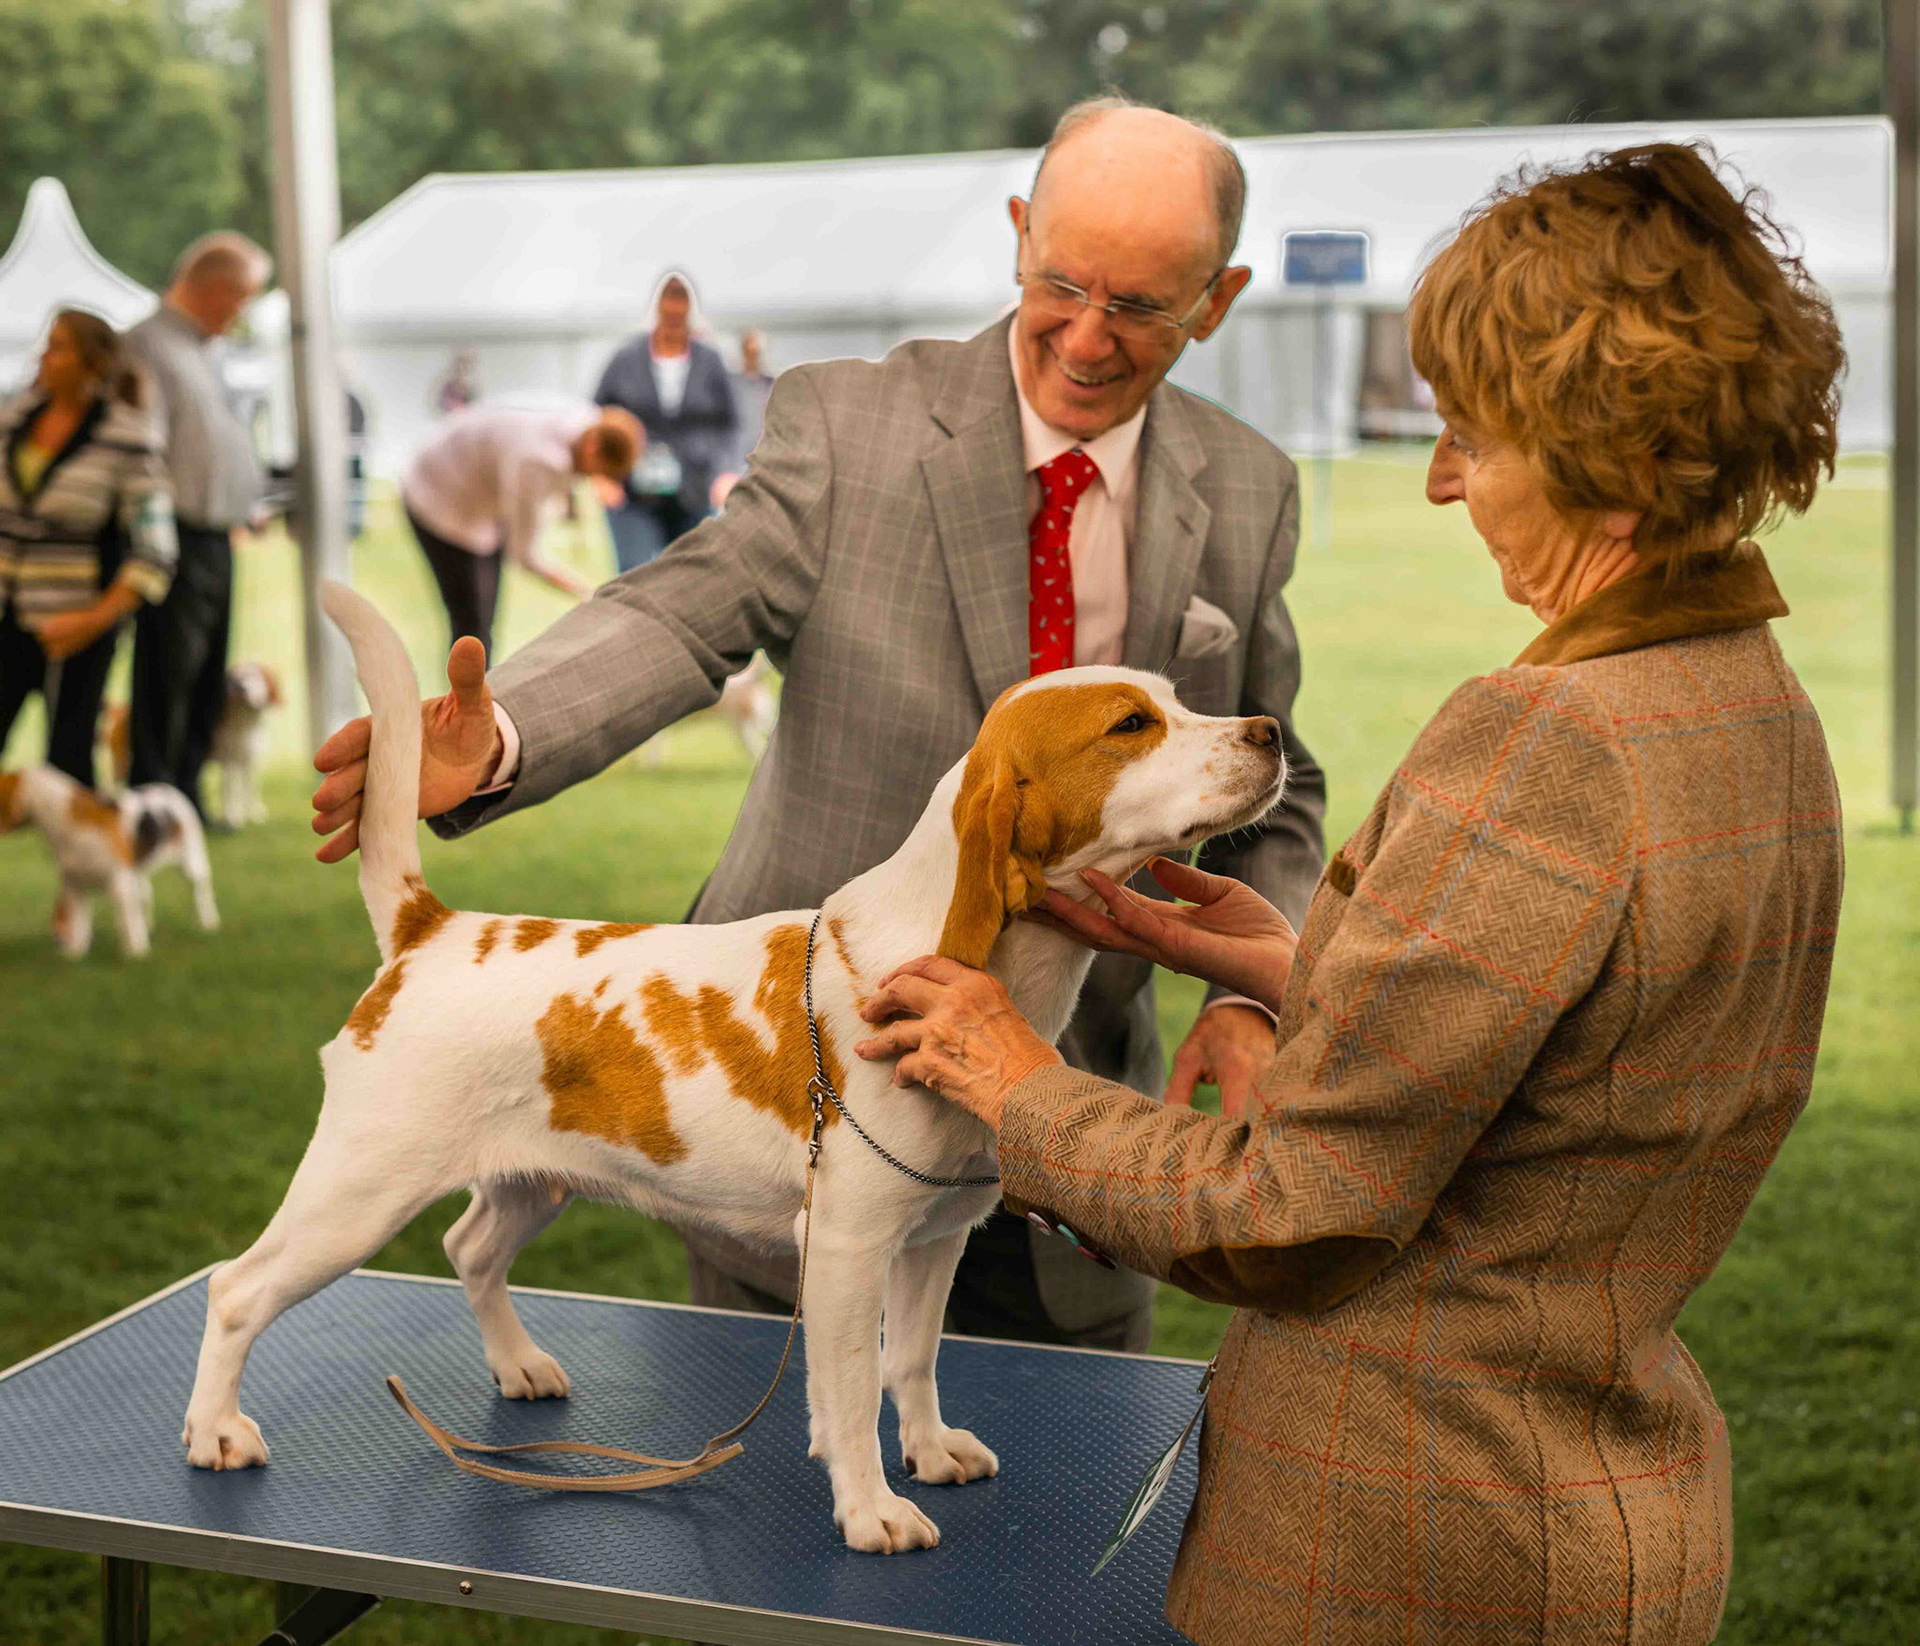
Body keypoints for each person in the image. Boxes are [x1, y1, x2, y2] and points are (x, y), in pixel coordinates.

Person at [851, 142, 1846, 1643]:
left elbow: (1287, 1210)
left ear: (1621, 460)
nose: (1444, 478)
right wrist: (1306, 959)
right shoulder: (1752, 708)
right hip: (1605, 1511)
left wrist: (1017, 1083)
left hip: (1403, 1540)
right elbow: (1580, 1063)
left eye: (1472, 435)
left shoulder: (1548, 740)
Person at [311, 99, 1327, 1355]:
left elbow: (1282, 777)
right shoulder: (848, 422)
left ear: (1216, 303)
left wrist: (1258, 997)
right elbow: (686, 612)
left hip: (1072, 1143)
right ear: (1017, 235)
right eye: (1060, 282)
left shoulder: (1249, 485)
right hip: (794, 1104)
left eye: (1141, 307)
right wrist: (505, 730)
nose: (1084, 334)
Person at [127, 232, 271, 819]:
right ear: (215, 288)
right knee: (170, 671)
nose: (241, 314)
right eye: (241, 298)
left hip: (215, 536)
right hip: (174, 538)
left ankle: (187, 791)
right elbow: (142, 452)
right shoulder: (144, 346)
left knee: (207, 673)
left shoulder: (201, 350)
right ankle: (156, 796)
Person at [0, 310, 176, 788]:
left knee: (68, 771)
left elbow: (156, 550)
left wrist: (93, 621)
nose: (45, 356)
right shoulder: (10, 419)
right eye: (45, 344)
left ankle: (93, 864)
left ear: (92, 362)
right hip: (5, 616)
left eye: (59, 346)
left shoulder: (129, 438)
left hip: (75, 627)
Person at [399, 402, 640, 662]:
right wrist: (587, 593)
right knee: (473, 628)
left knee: (484, 623)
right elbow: (524, 555)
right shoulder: (538, 460)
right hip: (440, 495)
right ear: (594, 447)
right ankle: (465, 701)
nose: (591, 478)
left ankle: (478, 694)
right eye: (597, 472)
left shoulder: (587, 419)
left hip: (477, 479)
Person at [593, 272, 740, 572]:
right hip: (633, 494)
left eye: (681, 309)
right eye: (667, 307)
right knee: (635, 574)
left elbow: (733, 424)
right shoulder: (625, 359)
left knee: (694, 576)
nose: (674, 316)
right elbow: (596, 417)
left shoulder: (711, 362)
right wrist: (602, 476)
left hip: (695, 492)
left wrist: (726, 472)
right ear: (656, 308)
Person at [714, 328, 776, 505]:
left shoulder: (773, 384)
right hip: (734, 462)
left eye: (757, 352)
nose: (753, 356)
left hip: (765, 461)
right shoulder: (728, 384)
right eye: (749, 351)